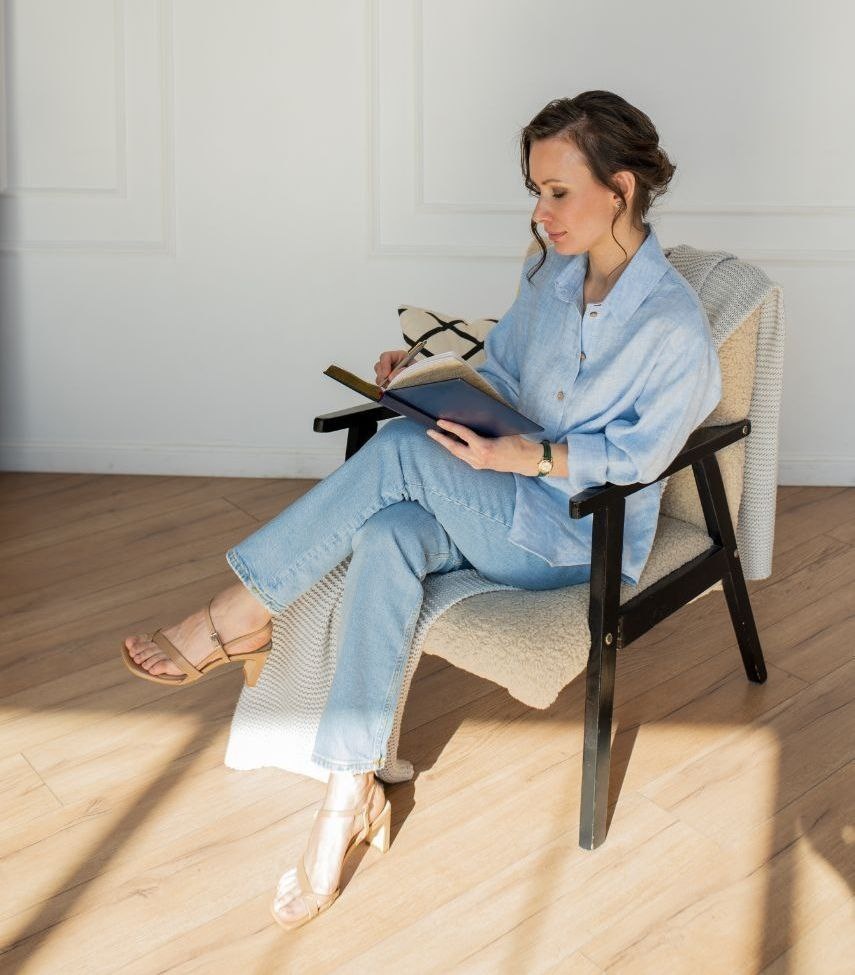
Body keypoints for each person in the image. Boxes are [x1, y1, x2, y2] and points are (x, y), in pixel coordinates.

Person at [121, 90, 722, 931]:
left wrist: (528, 457)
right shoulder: (549, 273)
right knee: (388, 530)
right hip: (498, 503)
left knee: (401, 453)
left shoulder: (673, 329)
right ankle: (348, 793)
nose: (540, 212)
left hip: (573, 534)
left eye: (558, 191)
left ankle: (236, 614)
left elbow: (640, 457)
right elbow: (505, 376)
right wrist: (426, 374)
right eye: (535, 190)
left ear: (619, 187)